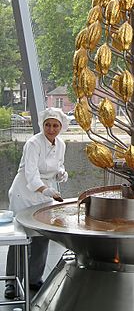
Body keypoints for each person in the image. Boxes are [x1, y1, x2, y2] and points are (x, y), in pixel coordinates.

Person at [4, 107, 69, 299]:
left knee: (42, 237)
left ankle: (34, 278)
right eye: (47, 125)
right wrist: (48, 190)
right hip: (23, 193)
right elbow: (31, 176)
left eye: (55, 125)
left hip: (44, 194)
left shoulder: (61, 144)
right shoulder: (33, 143)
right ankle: (11, 282)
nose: (51, 129)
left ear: (61, 127)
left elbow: (58, 166)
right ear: (42, 125)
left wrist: (60, 173)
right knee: (20, 238)